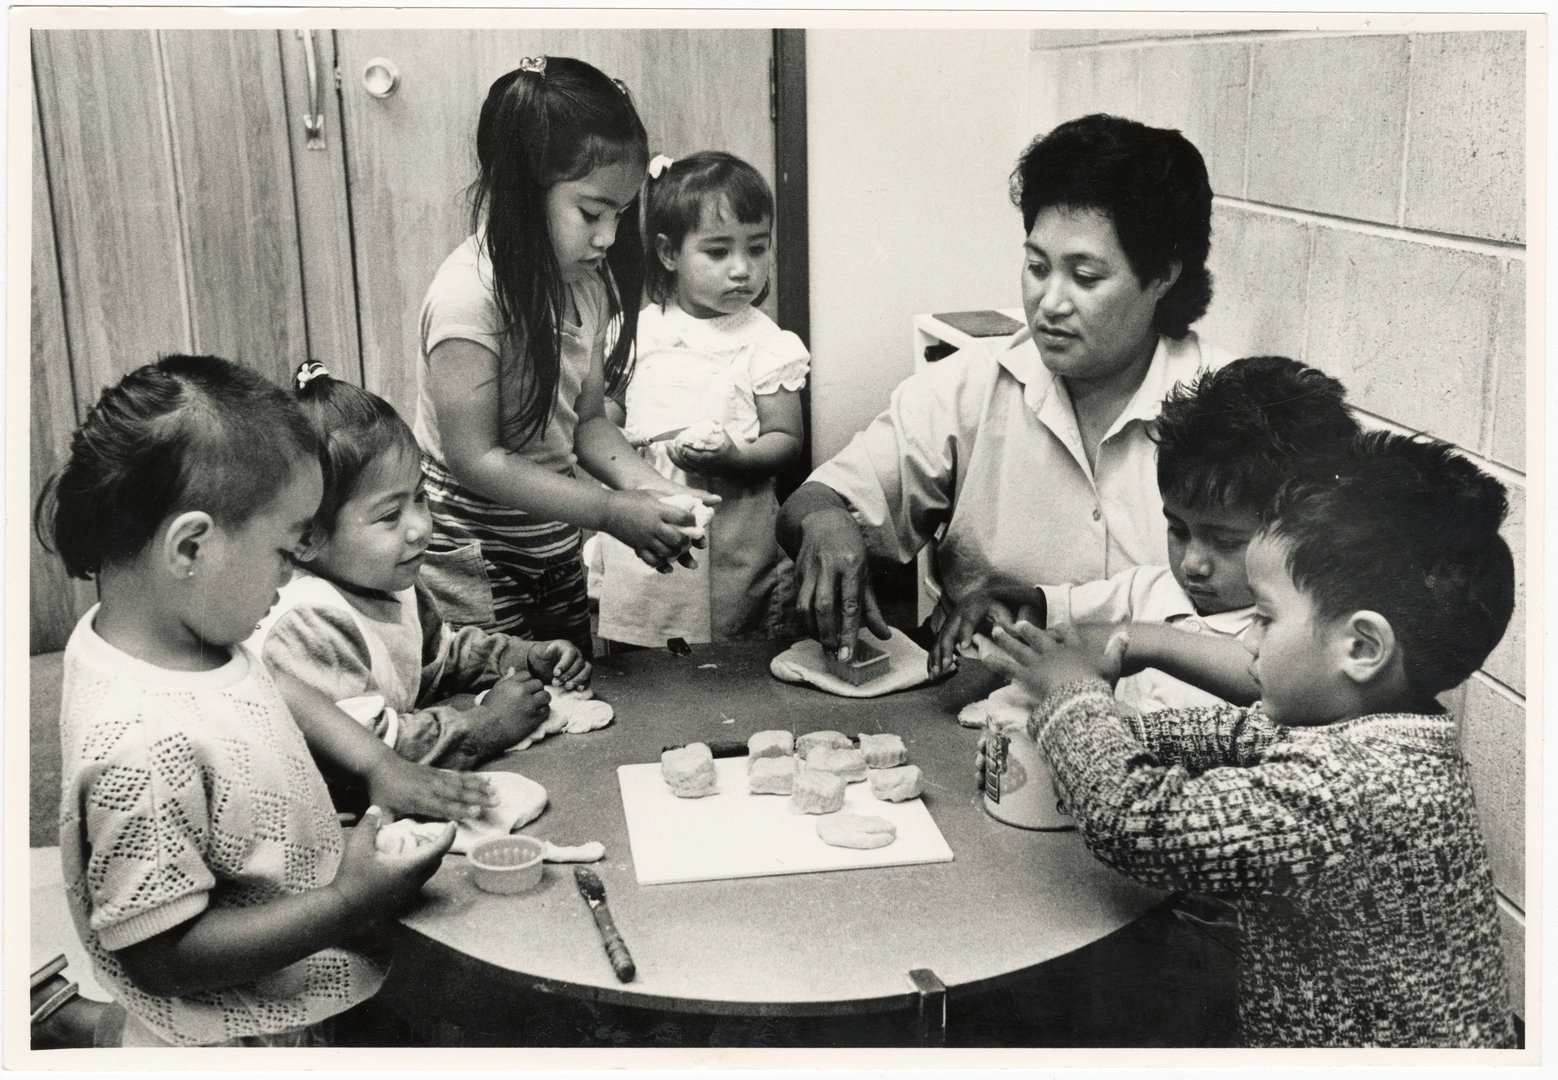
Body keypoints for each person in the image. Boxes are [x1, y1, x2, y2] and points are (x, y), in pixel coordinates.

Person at [980, 431, 1517, 1047]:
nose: (1249, 643)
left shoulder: (1357, 788)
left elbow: (1134, 824)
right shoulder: (1383, 730)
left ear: (1363, 648)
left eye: (1264, 617)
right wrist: (1109, 728)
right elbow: (1236, 732)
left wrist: (1072, 698)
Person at [39, 355, 471, 1046]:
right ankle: (88, 1033)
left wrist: (375, 763)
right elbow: (161, 957)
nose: (299, 567)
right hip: (234, 1032)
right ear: (191, 548)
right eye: (286, 547)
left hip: (290, 945)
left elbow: (275, 685)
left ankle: (87, 1030)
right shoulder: (142, 747)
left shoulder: (181, 632)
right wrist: (346, 902)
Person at [777, 114, 1227, 670]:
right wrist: (824, 522)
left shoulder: (1233, 412)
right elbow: (817, 500)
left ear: (1163, 276)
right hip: (977, 709)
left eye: (1085, 277)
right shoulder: (970, 386)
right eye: (1037, 267)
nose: (1050, 302)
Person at [414, 56, 715, 657]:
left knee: (572, 681)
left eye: (621, 215)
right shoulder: (467, 299)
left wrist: (652, 492)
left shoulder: (584, 281)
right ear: (523, 192)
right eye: (591, 213)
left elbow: (591, 424)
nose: (608, 236)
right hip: (475, 552)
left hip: (552, 532)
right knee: (506, 697)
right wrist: (608, 510)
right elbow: (477, 460)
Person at [251, 363, 592, 798]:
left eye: (420, 498)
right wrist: (483, 727)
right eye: (390, 516)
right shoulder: (310, 624)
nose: (419, 528)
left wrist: (523, 657)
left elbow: (438, 658)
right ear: (308, 538)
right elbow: (369, 754)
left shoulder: (391, 584)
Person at [946, 356, 1360, 713]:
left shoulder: (1294, 634)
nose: (1192, 563)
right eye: (1178, 530)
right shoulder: (1148, 591)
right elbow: (1049, 613)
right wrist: (1006, 604)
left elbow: (1263, 676)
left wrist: (1148, 641)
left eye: (1227, 542)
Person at [597, 151, 808, 647]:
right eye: (718, 253)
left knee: (735, 652)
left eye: (757, 249)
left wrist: (736, 456)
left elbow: (786, 439)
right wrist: (620, 451)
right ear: (670, 254)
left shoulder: (766, 343)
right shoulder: (636, 332)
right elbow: (605, 417)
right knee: (647, 650)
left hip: (735, 528)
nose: (742, 270)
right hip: (650, 517)